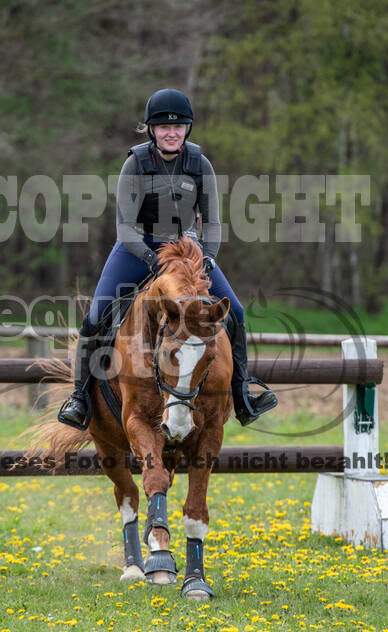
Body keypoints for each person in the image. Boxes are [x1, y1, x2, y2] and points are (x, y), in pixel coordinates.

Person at [58, 88, 277, 430]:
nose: (171, 133)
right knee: (97, 315)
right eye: (163, 127)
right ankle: (80, 398)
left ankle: (244, 393)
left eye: (178, 127)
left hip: (188, 249)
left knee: (236, 310)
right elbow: (124, 227)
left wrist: (207, 258)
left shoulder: (199, 163)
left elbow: (214, 222)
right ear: (151, 130)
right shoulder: (136, 163)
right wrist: (151, 258)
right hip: (138, 246)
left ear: (187, 129)